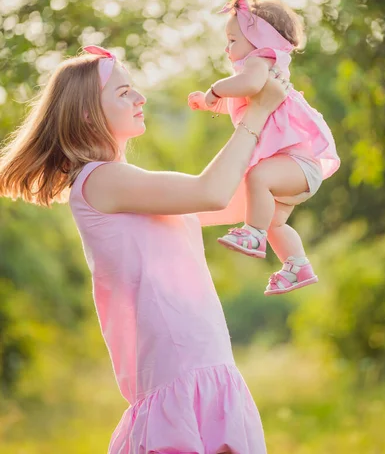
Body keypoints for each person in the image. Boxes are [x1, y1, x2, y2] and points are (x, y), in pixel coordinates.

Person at [0, 43, 290, 453]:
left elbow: (238, 199)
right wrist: (257, 114)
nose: (140, 98)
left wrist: (291, 140)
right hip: (180, 366)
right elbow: (210, 192)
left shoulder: (129, 182)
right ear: (86, 113)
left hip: (201, 358)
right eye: (123, 93)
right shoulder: (100, 180)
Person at [188, 0, 340, 295]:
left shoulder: (260, 61)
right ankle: (296, 266)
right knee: (276, 223)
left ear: (259, 40)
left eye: (233, 40)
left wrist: (215, 89)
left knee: (257, 179)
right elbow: (243, 96)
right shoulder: (258, 69)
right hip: (293, 172)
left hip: (297, 165)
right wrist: (210, 103)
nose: (227, 49)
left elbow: (249, 84)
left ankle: (252, 234)